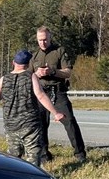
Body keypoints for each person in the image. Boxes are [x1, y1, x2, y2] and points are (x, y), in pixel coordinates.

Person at [0, 50, 62, 167]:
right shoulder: (31, 76)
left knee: (13, 157)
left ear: (13, 62)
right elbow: (41, 95)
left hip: (11, 124)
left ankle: (14, 178)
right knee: (33, 156)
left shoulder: (3, 79)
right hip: (30, 124)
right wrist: (55, 112)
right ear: (28, 64)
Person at [31, 26, 87, 161]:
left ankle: (80, 154)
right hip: (41, 93)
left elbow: (68, 72)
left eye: (45, 40)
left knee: (69, 122)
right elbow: (28, 75)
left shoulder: (59, 51)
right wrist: (36, 74)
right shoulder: (34, 56)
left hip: (58, 92)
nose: (42, 43)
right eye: (40, 40)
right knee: (41, 125)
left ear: (50, 38)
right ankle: (44, 155)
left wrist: (52, 71)